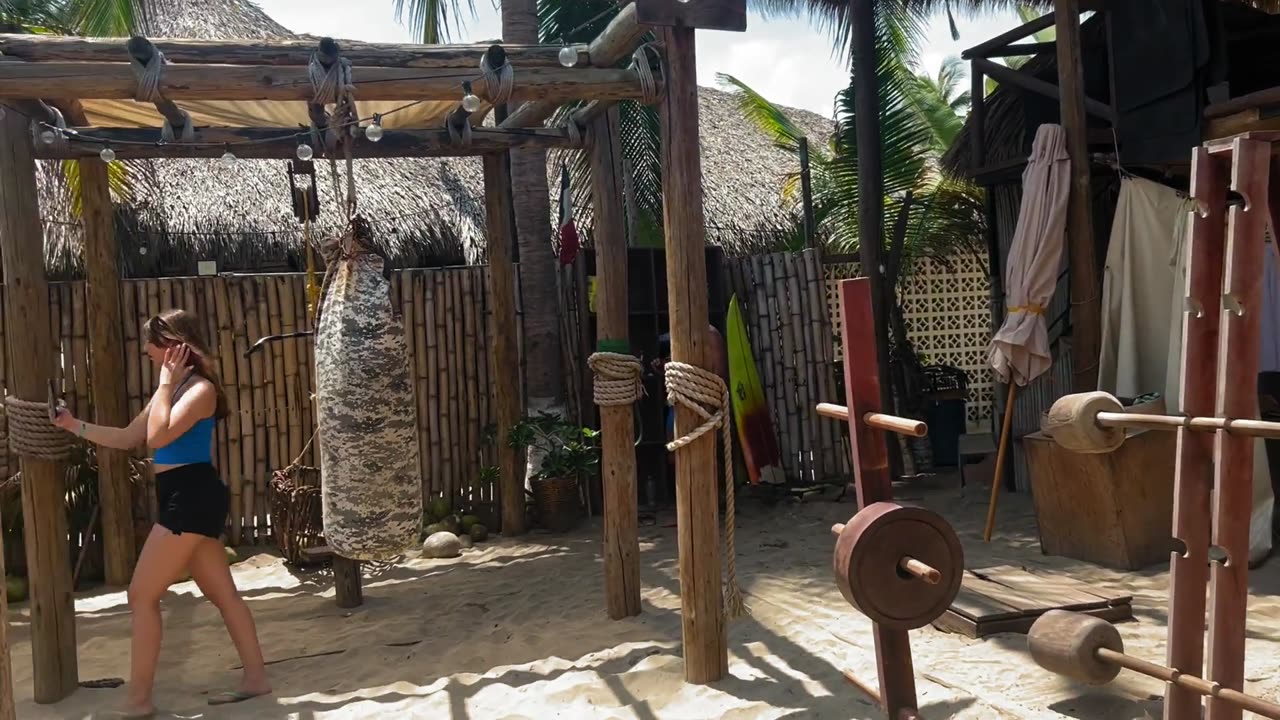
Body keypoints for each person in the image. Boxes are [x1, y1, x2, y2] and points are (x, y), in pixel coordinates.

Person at [52, 309, 271, 717]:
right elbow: (127, 437)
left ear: (173, 346)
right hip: (185, 494)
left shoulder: (200, 390)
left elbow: (157, 435)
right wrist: (72, 426)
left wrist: (166, 384)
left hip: (192, 495)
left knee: (141, 595)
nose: (148, 354)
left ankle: (139, 701)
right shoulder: (174, 388)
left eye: (152, 347)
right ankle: (256, 679)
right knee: (223, 594)